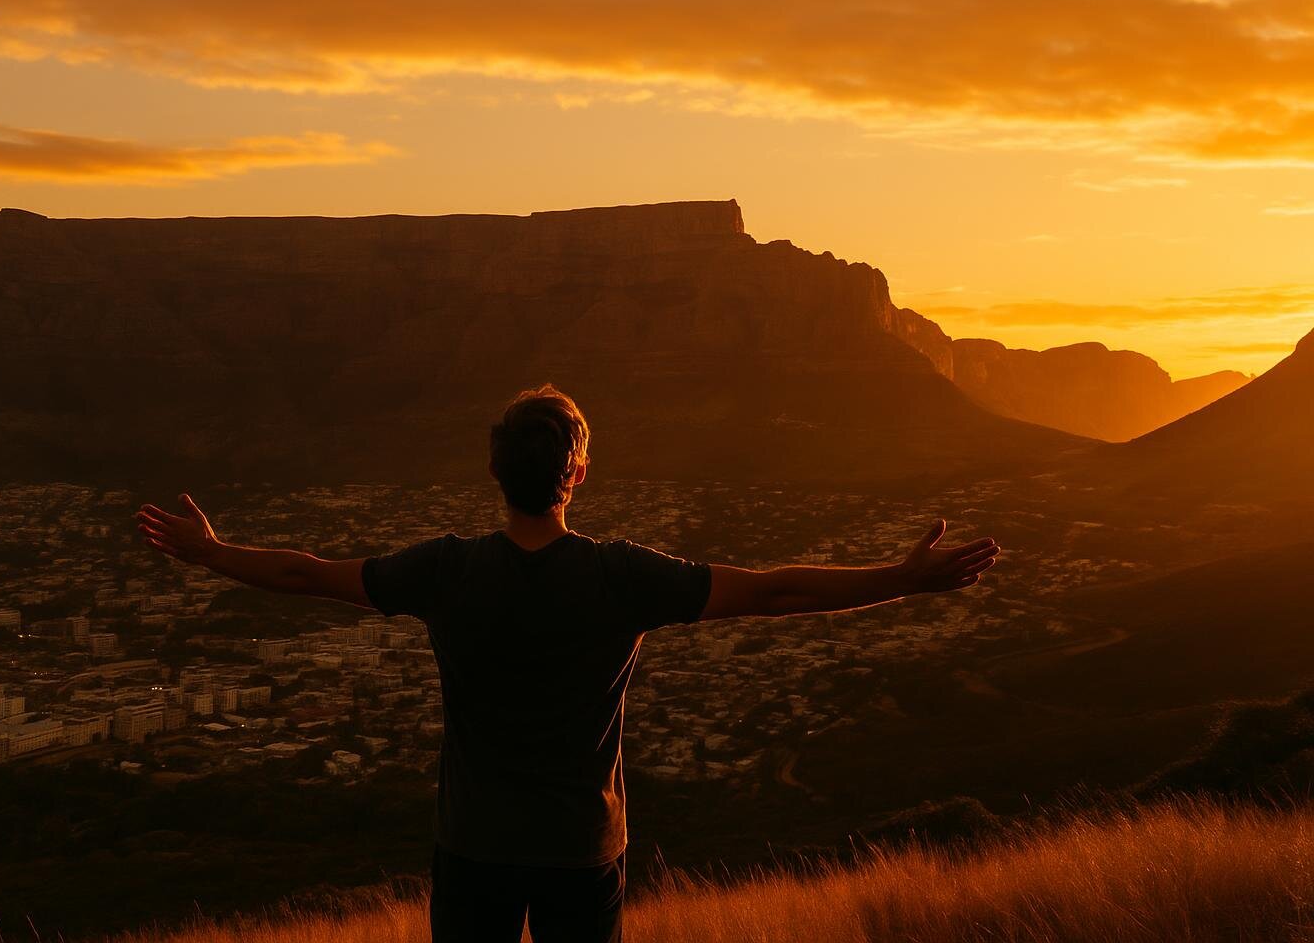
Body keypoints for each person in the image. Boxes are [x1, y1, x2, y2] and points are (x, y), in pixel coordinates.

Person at [135, 383, 1000, 943]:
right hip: (582, 849)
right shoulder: (619, 576)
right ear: (576, 473)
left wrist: (211, 554)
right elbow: (775, 593)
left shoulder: (447, 569)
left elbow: (308, 577)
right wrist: (902, 580)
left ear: (493, 471)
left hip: (472, 845)